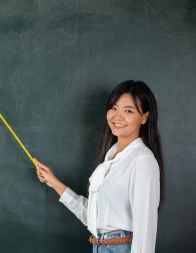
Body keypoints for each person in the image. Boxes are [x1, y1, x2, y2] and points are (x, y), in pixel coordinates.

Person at [34, 80, 163, 253]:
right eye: (114, 108)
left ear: (144, 117)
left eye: (129, 111)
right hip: (100, 246)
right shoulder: (109, 159)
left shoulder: (142, 160)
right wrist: (55, 183)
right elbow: (93, 218)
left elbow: (145, 228)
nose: (118, 116)